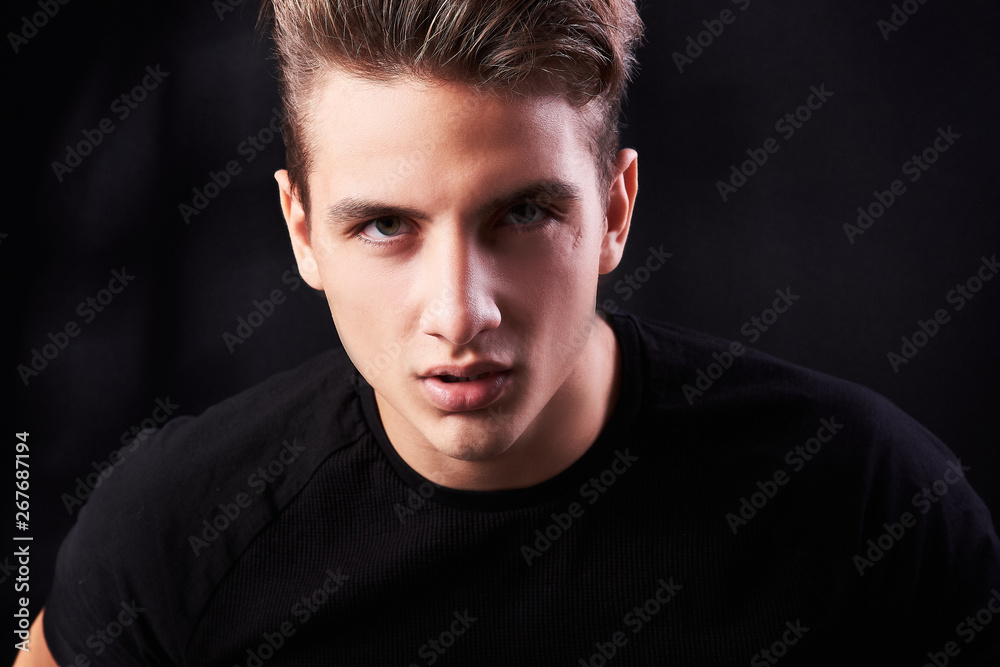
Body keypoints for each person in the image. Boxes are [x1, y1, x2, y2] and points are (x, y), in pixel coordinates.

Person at [16, 0, 1000, 664]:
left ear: (615, 212)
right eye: (384, 225)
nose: (459, 311)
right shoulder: (171, 533)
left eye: (523, 215)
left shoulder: (872, 507)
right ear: (302, 231)